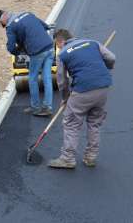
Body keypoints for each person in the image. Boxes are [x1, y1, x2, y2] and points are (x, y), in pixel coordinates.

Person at [48, 29, 115, 169]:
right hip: (103, 87)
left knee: (71, 123)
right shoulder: (92, 43)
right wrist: (105, 67)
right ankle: (90, 157)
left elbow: (61, 80)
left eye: (57, 45)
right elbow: (112, 58)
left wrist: (65, 98)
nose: (58, 47)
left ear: (60, 41)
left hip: (83, 90)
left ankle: (67, 159)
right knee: (94, 123)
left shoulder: (63, 53)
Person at [0, 10, 54, 117]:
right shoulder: (28, 14)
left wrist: (19, 52)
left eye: (3, 24)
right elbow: (45, 26)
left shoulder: (11, 27)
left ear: (2, 21)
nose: (4, 26)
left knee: (32, 78)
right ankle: (48, 107)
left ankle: (35, 107)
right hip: (50, 47)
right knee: (47, 78)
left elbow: (11, 47)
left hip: (37, 52)